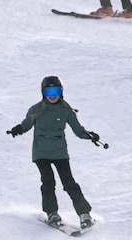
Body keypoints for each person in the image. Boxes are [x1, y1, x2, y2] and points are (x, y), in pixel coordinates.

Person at [7, 75, 100, 229]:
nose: (52, 95)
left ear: (61, 92)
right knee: (48, 182)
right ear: (43, 92)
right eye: (48, 91)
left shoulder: (66, 110)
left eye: (55, 91)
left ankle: (84, 214)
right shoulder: (36, 109)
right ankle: (52, 214)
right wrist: (19, 129)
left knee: (69, 182)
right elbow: (26, 124)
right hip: (41, 153)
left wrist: (90, 136)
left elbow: (78, 130)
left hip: (59, 153)